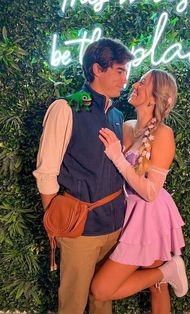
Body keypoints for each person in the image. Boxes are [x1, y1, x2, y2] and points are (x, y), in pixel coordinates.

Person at [33, 38, 134, 314]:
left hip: (114, 225)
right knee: (73, 304)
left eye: (126, 71)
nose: (124, 79)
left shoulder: (116, 114)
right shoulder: (66, 108)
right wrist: (58, 223)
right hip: (80, 229)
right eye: (118, 70)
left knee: (103, 298)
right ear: (96, 69)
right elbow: (46, 172)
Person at [91, 69, 188, 314]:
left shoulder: (163, 134)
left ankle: (168, 270)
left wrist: (117, 157)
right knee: (157, 286)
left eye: (143, 82)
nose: (135, 83)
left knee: (101, 289)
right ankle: (165, 273)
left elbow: (151, 192)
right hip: (127, 211)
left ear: (154, 98)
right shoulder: (126, 126)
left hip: (149, 215)